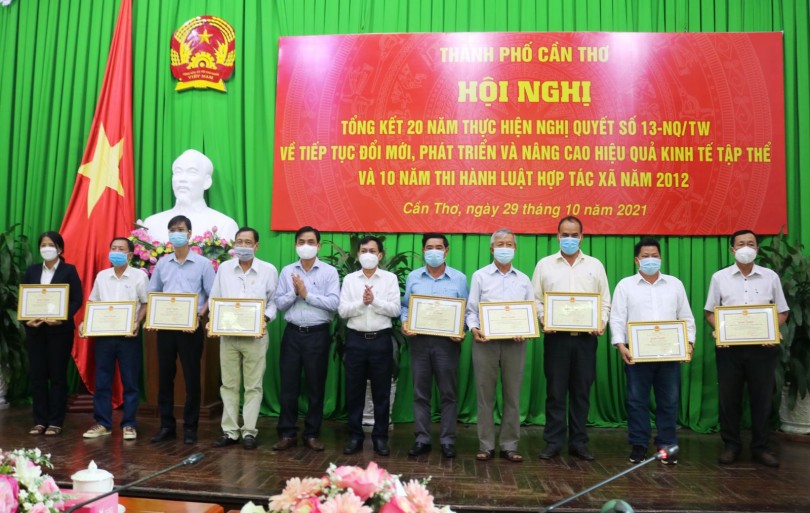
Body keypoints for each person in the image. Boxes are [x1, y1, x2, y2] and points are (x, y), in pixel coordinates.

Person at [704, 229, 789, 467]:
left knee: (762, 399)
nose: (746, 248)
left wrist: (771, 330)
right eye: (741, 244)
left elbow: (782, 311)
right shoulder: (719, 278)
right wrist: (721, 330)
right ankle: (731, 446)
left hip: (763, 348)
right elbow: (710, 312)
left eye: (750, 244)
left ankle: (760, 447)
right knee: (729, 398)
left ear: (757, 249)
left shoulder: (770, 277)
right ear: (732, 249)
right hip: (729, 349)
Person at [609, 238, 695, 464]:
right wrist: (620, 345)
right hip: (636, 354)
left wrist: (689, 343)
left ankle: (667, 446)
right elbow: (617, 318)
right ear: (636, 260)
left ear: (661, 258)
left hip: (670, 354)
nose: (650, 260)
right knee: (636, 401)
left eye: (654, 256)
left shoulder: (675, 284)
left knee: (669, 401)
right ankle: (639, 445)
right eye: (645, 256)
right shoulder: (625, 285)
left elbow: (686, 317)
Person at [532, 216, 611, 461]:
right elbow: (536, 299)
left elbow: (605, 300)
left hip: (586, 339)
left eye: (574, 235)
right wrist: (544, 319)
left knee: (581, 392)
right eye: (565, 235)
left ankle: (579, 442)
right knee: (555, 392)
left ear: (581, 237)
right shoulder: (545, 265)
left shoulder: (595, 265)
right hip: (556, 339)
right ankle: (553, 442)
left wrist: (601, 322)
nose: (569, 239)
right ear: (557, 236)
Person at [465, 228, 533, 463]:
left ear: (515, 248)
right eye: (500, 244)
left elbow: (529, 311)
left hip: (515, 344)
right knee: (485, 395)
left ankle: (509, 445)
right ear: (492, 248)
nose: (505, 248)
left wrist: (525, 330)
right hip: (485, 343)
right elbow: (471, 310)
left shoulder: (523, 279)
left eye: (509, 244)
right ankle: (486, 445)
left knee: (512, 395)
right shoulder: (480, 276)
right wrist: (474, 328)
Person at [147, 215, 216, 444]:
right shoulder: (162, 263)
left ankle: (190, 428)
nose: (177, 233)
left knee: (192, 379)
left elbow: (212, 296)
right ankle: (167, 426)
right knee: (165, 378)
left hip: (191, 329)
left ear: (189, 233)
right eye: (173, 230)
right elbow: (154, 293)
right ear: (169, 234)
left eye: (181, 229)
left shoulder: (203, 264)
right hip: (166, 329)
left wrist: (198, 316)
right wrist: (154, 317)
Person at [209, 227, 277, 450]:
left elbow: (274, 302)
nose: (243, 246)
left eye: (248, 242)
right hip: (228, 336)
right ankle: (230, 431)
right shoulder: (225, 269)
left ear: (256, 246)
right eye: (239, 241)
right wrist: (214, 320)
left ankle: (249, 431)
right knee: (228, 385)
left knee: (253, 386)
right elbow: (214, 298)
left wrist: (264, 319)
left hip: (256, 337)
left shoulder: (268, 270)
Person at [401, 233, 469, 459]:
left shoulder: (459, 278)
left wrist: (462, 330)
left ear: (446, 251)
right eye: (429, 247)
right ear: (423, 251)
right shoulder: (414, 277)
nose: (434, 251)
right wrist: (405, 323)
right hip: (419, 342)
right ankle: (422, 438)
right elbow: (405, 307)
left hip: (447, 344)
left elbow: (465, 310)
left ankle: (448, 440)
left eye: (439, 247)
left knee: (448, 393)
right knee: (420, 393)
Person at [273, 226, 340, 452]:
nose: (306, 246)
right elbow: (279, 304)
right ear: (295, 245)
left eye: (311, 242)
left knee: (315, 387)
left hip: (318, 335)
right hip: (292, 334)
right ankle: (287, 433)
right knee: (288, 387)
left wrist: (307, 295)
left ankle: (312, 434)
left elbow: (334, 303)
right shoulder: (287, 271)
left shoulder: (329, 272)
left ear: (318, 246)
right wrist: (294, 292)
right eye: (301, 242)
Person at [80, 237, 149, 441]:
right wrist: (85, 322)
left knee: (130, 382)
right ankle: (103, 423)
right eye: (113, 248)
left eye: (121, 249)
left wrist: (137, 322)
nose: (116, 252)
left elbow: (146, 303)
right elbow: (93, 302)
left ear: (130, 255)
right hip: (104, 336)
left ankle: (129, 424)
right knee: (102, 381)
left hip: (128, 336)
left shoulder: (139, 276)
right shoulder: (102, 276)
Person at [338, 235, 401, 456]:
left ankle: (380, 438)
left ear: (380, 255)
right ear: (358, 255)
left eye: (372, 251)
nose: (368, 255)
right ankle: (355, 437)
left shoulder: (390, 279)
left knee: (381, 392)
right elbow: (343, 311)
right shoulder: (350, 280)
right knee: (354, 391)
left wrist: (374, 301)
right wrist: (362, 302)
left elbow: (395, 310)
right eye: (363, 251)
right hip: (355, 340)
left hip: (381, 340)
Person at [22, 231, 83, 436]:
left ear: (59, 249)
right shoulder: (32, 271)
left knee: (58, 376)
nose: (46, 248)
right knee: (38, 376)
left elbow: (77, 299)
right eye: (43, 245)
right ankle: (40, 421)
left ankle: (56, 421)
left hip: (60, 332)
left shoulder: (69, 270)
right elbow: (23, 299)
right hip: (36, 331)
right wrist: (26, 320)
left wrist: (62, 317)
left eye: (50, 245)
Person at [142, 150, 239, 242]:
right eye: (178, 172)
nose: (182, 179)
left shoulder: (224, 224)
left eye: (192, 172)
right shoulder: (151, 223)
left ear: (207, 181)